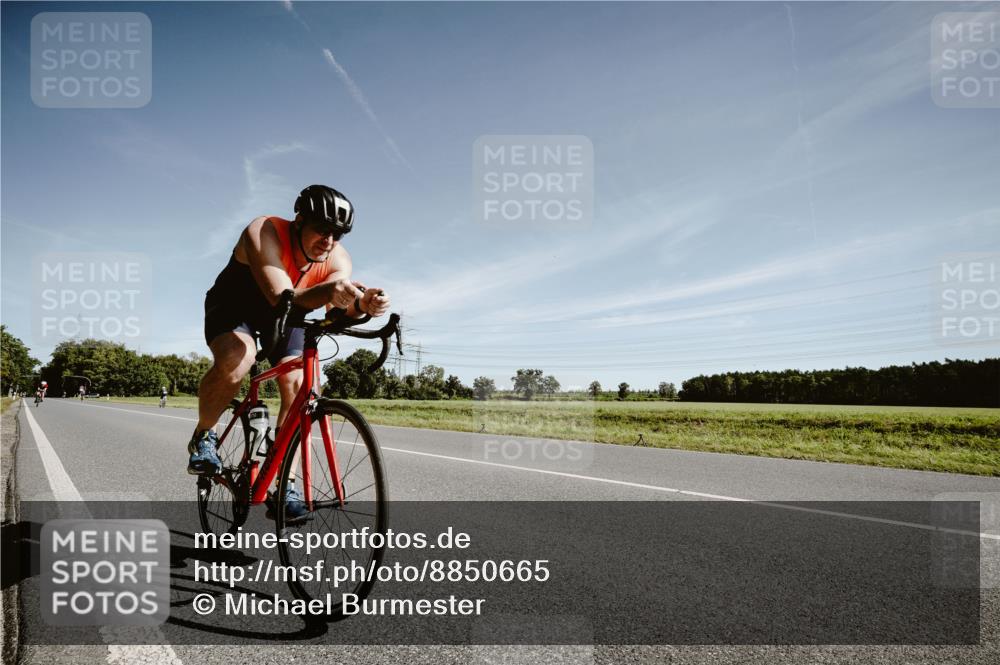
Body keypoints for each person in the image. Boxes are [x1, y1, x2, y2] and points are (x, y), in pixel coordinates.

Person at [187, 185, 390, 520]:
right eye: (322, 229)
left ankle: (286, 484)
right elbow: (281, 295)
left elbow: (335, 305)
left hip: (286, 315)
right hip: (236, 305)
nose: (329, 240)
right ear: (298, 220)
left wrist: (360, 304)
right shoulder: (264, 231)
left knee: (299, 385)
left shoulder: (337, 258)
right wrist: (333, 291)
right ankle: (203, 435)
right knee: (239, 360)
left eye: (337, 234)